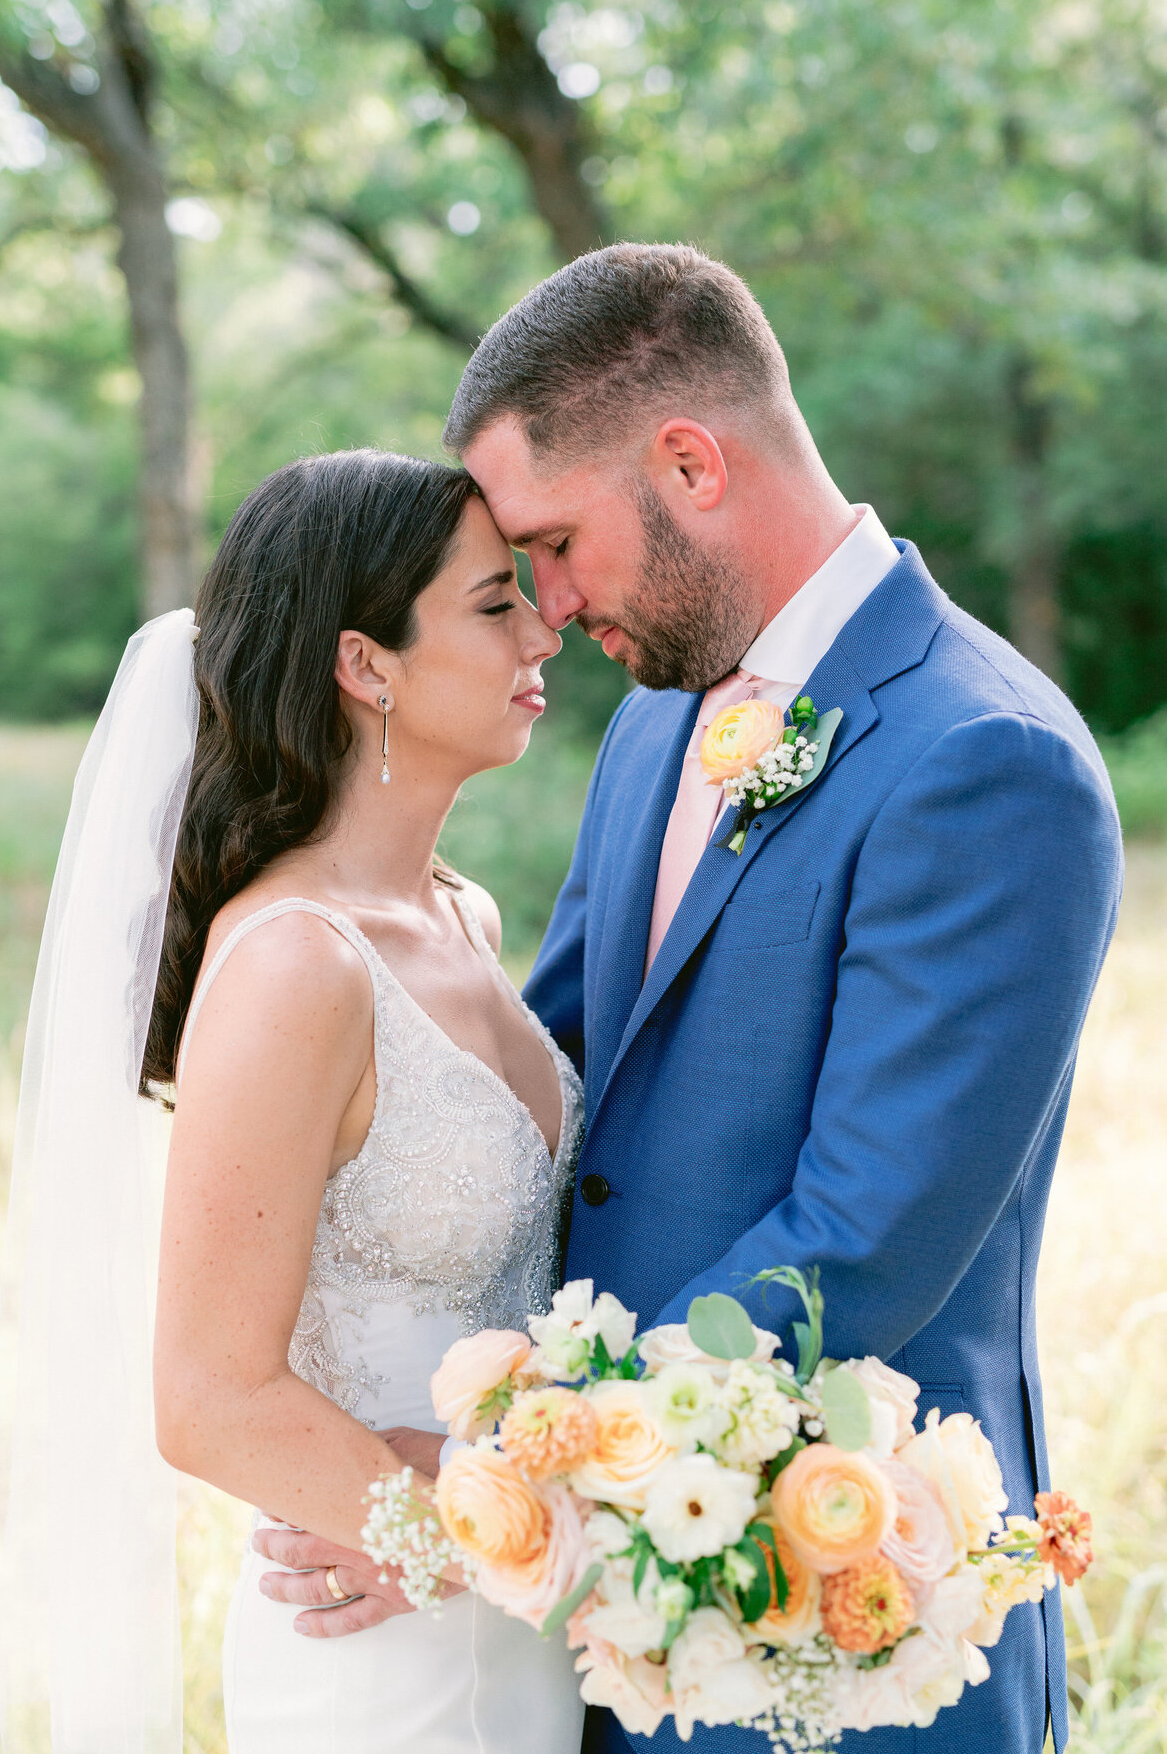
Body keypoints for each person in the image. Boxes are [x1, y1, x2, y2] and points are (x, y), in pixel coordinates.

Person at [262, 245, 1123, 1754]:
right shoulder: (653, 734)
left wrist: (487, 1483)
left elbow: (856, 1248)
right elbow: (550, 1105)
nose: (546, 603)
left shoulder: (989, 762)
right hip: (594, 1633)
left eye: (556, 542)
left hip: (843, 1628)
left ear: (688, 462)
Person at [0, 448, 583, 1754]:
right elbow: (207, 1394)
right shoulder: (299, 965)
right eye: (493, 604)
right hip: (390, 1654)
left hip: (532, 1625)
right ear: (366, 666)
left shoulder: (460, 915)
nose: (545, 628)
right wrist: (475, 1541)